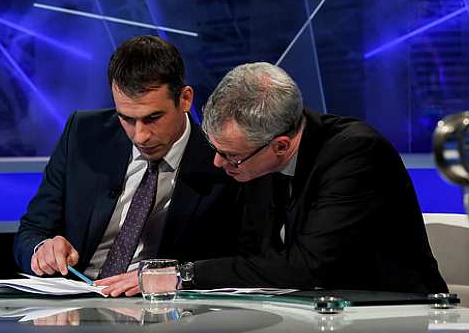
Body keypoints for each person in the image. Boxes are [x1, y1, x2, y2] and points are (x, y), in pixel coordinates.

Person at [190, 62, 447, 293]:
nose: (218, 162)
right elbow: (250, 252)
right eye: (216, 150)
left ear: (280, 146)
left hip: (391, 316)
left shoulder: (357, 154)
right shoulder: (256, 157)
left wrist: (188, 275)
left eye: (230, 155)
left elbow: (307, 267)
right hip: (307, 315)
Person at [13, 35, 240, 296]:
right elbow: (31, 231)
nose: (140, 135)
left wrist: (177, 278)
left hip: (164, 311)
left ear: (185, 99)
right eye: (127, 119)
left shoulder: (223, 161)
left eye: (153, 118)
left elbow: (241, 261)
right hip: (75, 299)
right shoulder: (83, 134)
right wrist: (42, 249)